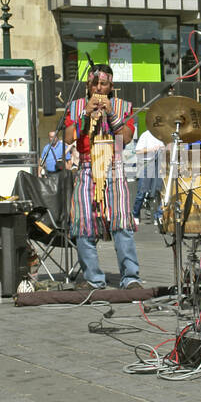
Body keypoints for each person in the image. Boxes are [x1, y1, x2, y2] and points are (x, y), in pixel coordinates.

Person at [65, 64, 143, 289]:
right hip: (87, 166)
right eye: (94, 83)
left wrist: (110, 113)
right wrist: (85, 114)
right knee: (83, 224)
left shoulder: (122, 106)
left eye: (103, 84)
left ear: (111, 86)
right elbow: (69, 137)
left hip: (114, 166)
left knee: (121, 224)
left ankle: (131, 277)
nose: (98, 87)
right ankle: (93, 278)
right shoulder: (76, 107)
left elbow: (126, 137)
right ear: (87, 86)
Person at [132, 126, 165, 226]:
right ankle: (135, 214)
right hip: (146, 165)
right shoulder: (145, 135)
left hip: (158, 165)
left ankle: (158, 215)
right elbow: (138, 151)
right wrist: (151, 149)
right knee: (141, 192)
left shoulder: (161, 135)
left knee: (158, 192)